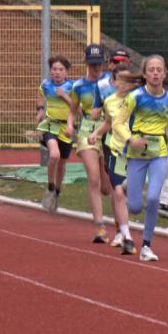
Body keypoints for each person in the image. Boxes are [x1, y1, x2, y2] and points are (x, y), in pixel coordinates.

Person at [121, 55, 168, 262]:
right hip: (136, 153)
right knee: (135, 207)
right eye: (151, 70)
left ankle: (146, 245)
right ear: (145, 74)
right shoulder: (135, 97)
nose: (155, 73)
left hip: (158, 153)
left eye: (159, 70)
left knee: (153, 198)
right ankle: (127, 187)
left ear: (164, 74)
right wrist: (131, 139)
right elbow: (119, 123)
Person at [90, 65, 138, 255]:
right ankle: (125, 235)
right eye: (121, 80)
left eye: (128, 80)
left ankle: (123, 230)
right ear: (115, 82)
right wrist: (96, 133)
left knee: (130, 197)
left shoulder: (139, 99)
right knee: (117, 192)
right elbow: (107, 123)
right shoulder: (109, 101)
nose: (124, 84)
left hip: (135, 152)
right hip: (114, 149)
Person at [70, 44, 112, 243]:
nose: (96, 67)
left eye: (99, 64)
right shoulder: (78, 86)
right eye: (92, 64)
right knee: (93, 178)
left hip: (108, 129)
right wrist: (70, 125)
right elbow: (72, 110)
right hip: (87, 130)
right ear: (86, 63)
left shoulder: (110, 82)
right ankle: (100, 227)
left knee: (107, 186)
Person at [35, 56, 75, 213]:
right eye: (54, 69)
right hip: (50, 125)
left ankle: (57, 192)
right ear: (50, 71)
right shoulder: (46, 84)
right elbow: (40, 96)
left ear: (66, 72)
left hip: (66, 128)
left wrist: (65, 96)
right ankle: (50, 186)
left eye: (61, 69)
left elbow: (77, 109)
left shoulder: (72, 87)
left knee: (62, 163)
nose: (57, 72)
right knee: (54, 155)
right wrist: (40, 110)